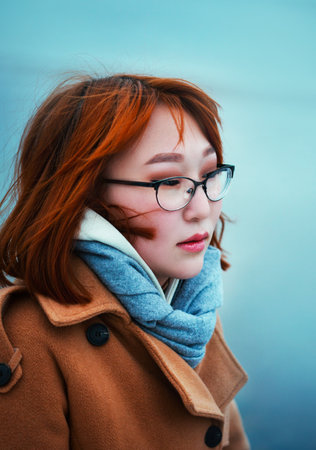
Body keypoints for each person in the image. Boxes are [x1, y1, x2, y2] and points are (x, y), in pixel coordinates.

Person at [0, 74, 250, 449]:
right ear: (85, 194)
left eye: (208, 174)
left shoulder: (193, 306)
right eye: (168, 181)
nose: (202, 210)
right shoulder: (27, 338)